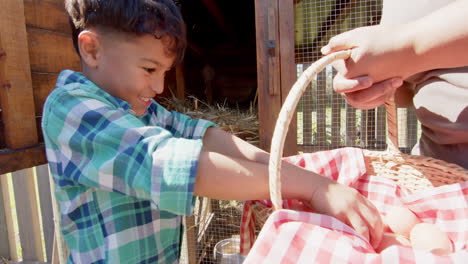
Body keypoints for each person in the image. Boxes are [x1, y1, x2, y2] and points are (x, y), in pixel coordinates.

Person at [42, 0, 383, 262]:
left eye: (164, 71)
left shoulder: (138, 109)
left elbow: (202, 134)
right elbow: (177, 164)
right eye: (149, 69)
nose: (159, 87)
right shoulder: (71, 110)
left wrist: (291, 173)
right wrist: (310, 186)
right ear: (92, 49)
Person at [321, 0, 468, 169]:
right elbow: (408, 93)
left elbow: (407, 48)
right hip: (435, 169)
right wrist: (371, 85)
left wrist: (408, 47)